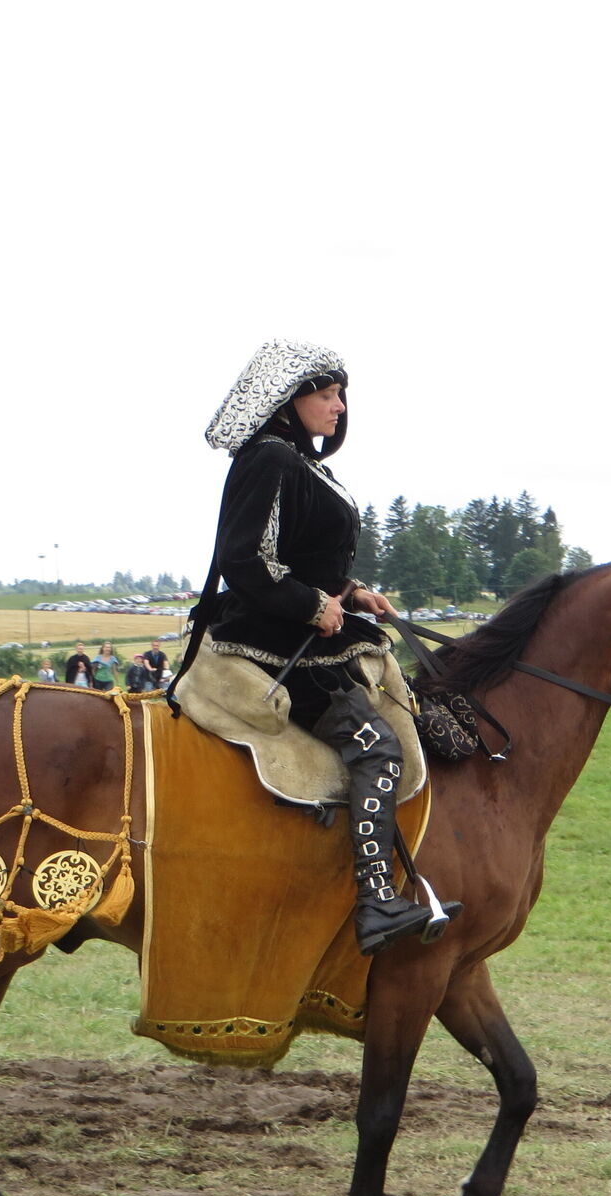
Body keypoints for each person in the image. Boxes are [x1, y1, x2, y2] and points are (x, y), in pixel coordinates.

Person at [175, 339, 459, 956]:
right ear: (289, 400)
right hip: (279, 647)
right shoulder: (271, 458)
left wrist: (350, 593)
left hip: (308, 635)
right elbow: (245, 559)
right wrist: (311, 604)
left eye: (340, 396)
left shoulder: (301, 462)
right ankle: (376, 901)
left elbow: (301, 554)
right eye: (327, 395)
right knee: (377, 748)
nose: (339, 407)